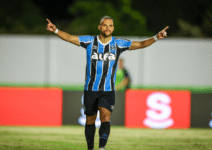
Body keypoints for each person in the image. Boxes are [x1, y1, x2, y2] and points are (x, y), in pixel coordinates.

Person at [46, 16, 168, 150]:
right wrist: (56, 30)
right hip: (91, 89)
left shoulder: (118, 43)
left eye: (110, 25)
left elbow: (140, 44)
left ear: (113, 28)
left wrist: (156, 37)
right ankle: (90, 148)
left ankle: (102, 148)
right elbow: (69, 37)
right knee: (90, 120)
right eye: (105, 25)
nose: (107, 28)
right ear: (100, 27)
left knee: (105, 116)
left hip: (108, 90)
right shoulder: (90, 41)